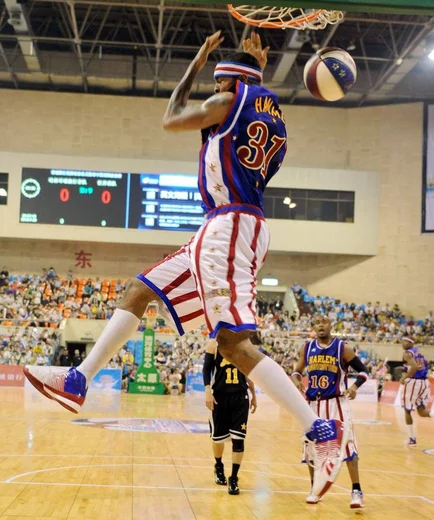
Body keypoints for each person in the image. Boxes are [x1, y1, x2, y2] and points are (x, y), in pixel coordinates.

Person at [24, 31, 348, 498]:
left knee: (234, 345)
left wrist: (196, 63)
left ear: (229, 85)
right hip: (221, 226)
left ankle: (319, 432)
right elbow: (223, 124)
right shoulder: (268, 114)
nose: (213, 94)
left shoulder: (228, 102)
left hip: (230, 227)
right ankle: (79, 379)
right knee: (138, 292)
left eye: (220, 84)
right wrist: (247, 68)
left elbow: (171, 117)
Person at [292, 314, 369, 509]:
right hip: (313, 406)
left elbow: (363, 371)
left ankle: (356, 491)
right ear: (313, 327)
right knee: (311, 448)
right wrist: (296, 378)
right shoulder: (307, 348)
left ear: (330, 325)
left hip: (336, 403)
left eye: (324, 322)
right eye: (317, 323)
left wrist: (354, 387)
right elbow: (296, 371)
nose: (320, 326)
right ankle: (314, 489)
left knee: (348, 446)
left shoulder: (342, 347)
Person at [203, 337, 257, 495]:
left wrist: (253, 394)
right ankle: (218, 466)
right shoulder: (214, 344)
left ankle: (234, 478)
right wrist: (207, 390)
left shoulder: (244, 343)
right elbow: (206, 369)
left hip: (240, 397)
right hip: (219, 396)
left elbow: (247, 371)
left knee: (239, 439)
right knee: (217, 438)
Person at [401, 336, 434, 445]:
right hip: (425, 382)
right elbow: (424, 365)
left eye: (405, 341)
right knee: (422, 412)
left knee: (407, 410)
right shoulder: (419, 352)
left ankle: (412, 439)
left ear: (410, 343)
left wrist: (404, 377)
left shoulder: (407, 353)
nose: (402, 343)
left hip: (414, 382)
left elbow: (414, 366)